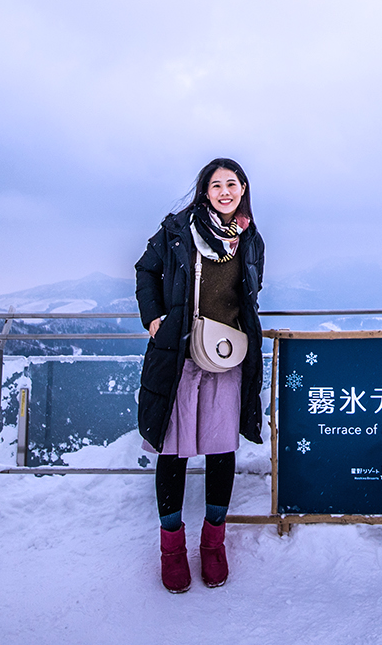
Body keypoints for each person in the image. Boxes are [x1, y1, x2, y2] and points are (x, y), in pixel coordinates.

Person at [135, 158, 265, 592]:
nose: (225, 191)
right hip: (180, 356)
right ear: (204, 191)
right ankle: (171, 548)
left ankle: (213, 544)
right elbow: (145, 270)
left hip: (227, 357)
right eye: (216, 185)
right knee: (173, 450)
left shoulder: (250, 238)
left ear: (243, 189)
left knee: (221, 448)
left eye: (232, 184)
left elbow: (250, 292)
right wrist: (154, 318)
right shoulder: (179, 230)